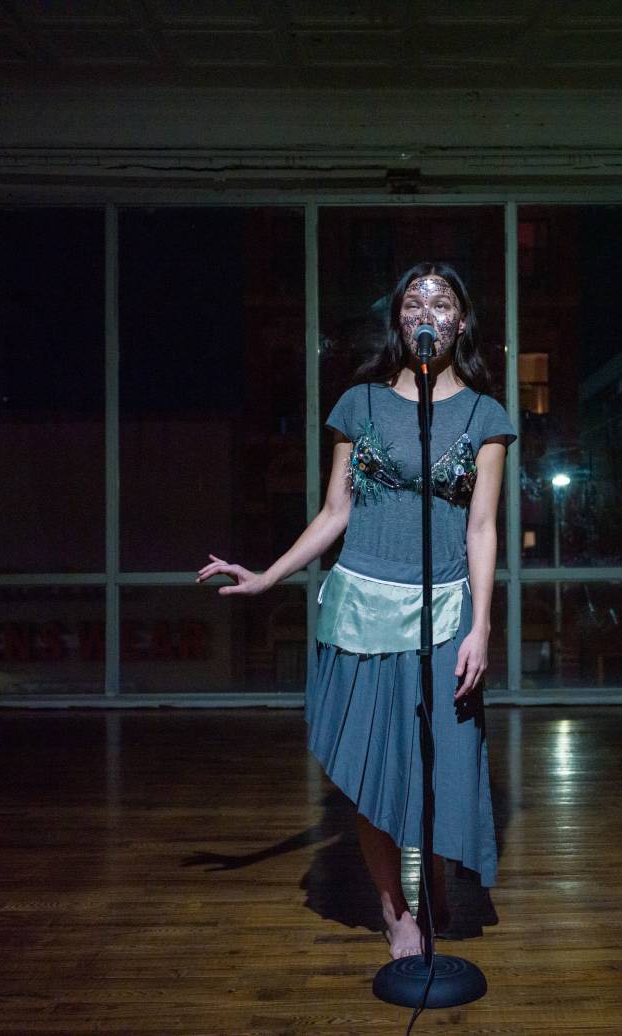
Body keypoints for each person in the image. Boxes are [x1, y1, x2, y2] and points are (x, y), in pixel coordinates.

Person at [197, 262, 516, 960]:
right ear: (399, 320)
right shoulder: (360, 405)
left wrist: (483, 625)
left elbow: (483, 528)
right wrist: (269, 576)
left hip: (444, 611)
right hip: (363, 607)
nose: (425, 309)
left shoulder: (483, 416)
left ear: (460, 322)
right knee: (375, 769)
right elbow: (335, 511)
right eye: (412, 299)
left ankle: (435, 872)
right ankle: (393, 909)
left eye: (441, 299)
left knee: (441, 761)